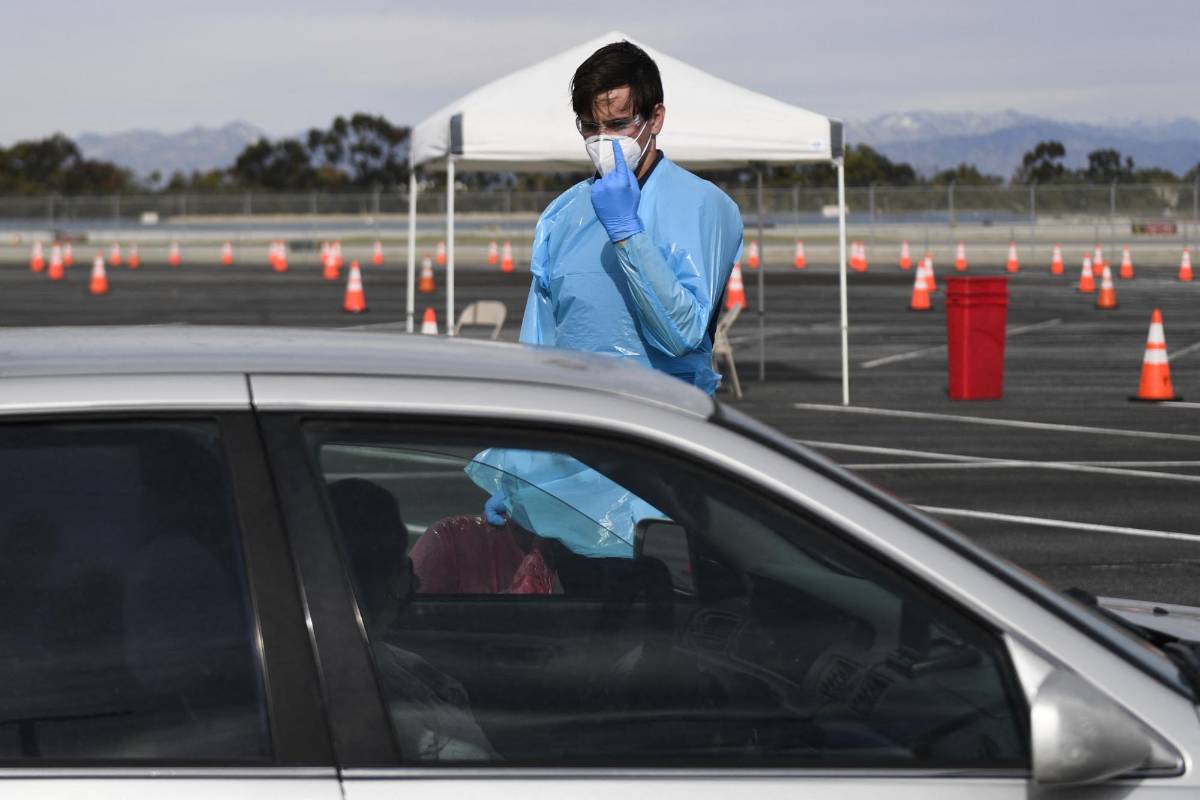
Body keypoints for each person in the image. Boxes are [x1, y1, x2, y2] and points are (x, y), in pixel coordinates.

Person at [473, 41, 742, 558]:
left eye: (619, 124)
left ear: (655, 118)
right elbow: (538, 349)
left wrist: (626, 232)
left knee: (666, 599)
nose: (604, 141)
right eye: (590, 128)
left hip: (667, 468)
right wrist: (514, 467)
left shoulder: (704, 206)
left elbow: (683, 333)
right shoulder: (562, 215)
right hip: (577, 471)